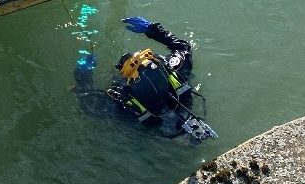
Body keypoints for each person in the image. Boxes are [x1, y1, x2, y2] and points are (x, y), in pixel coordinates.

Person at [73, 16, 217, 141]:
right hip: (182, 108)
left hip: (150, 132)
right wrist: (152, 29)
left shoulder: (121, 99)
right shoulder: (173, 67)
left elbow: (88, 103)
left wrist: (82, 74)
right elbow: (184, 47)